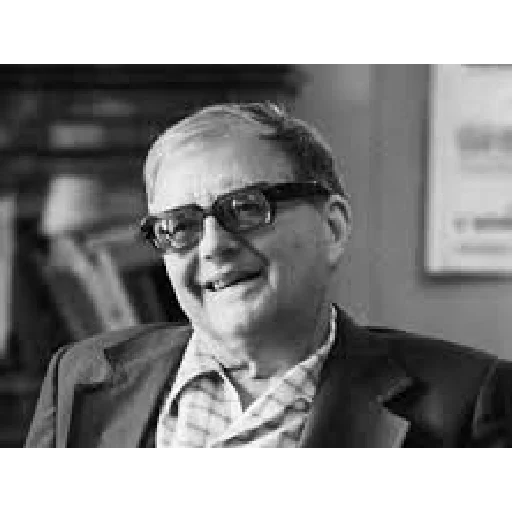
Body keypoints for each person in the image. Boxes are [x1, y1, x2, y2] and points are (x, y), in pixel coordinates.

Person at [25, 102, 512, 447]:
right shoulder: (80, 378)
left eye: (245, 208)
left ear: (333, 228)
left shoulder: (467, 402)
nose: (213, 246)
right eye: (180, 226)